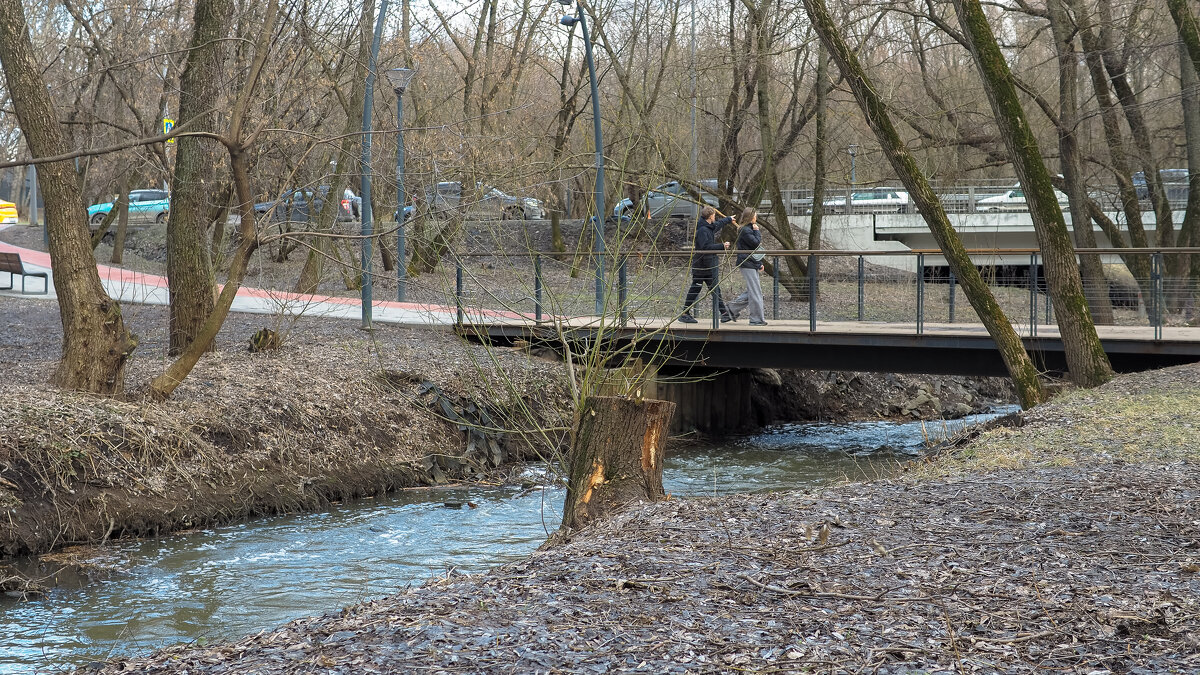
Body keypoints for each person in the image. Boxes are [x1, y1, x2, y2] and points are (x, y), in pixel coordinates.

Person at [679, 205, 733, 323]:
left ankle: (724, 313)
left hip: (707, 264)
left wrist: (728, 219)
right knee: (696, 288)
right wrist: (722, 246)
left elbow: (717, 225)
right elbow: (705, 247)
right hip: (701, 265)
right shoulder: (703, 230)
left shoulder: (708, 226)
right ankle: (684, 313)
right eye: (714, 216)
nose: (715, 218)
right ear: (710, 217)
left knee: (714, 288)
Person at [726, 207, 768, 326]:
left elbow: (750, 249)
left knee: (754, 291)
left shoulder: (746, 229)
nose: (756, 218)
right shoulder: (746, 230)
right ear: (750, 217)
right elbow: (755, 244)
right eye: (755, 216)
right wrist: (757, 231)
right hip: (747, 263)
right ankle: (756, 319)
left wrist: (759, 263)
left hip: (750, 262)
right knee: (755, 292)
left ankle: (731, 309)